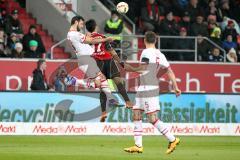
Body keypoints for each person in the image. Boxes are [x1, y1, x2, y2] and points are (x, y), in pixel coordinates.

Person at [124, 31, 181, 154]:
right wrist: (176, 87)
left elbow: (142, 68)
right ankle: (138, 145)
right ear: (155, 41)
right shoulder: (160, 54)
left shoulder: (145, 52)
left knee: (152, 118)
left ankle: (173, 139)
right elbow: (169, 71)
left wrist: (129, 67)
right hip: (144, 87)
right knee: (136, 113)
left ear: (144, 40)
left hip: (148, 88)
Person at [85, 19, 133, 122]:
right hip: (108, 60)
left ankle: (103, 112)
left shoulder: (85, 39)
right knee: (118, 81)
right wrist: (120, 62)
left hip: (97, 63)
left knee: (103, 88)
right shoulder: (102, 37)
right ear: (96, 27)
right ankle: (128, 101)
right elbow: (111, 50)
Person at [67, 16, 119, 106]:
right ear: (76, 22)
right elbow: (90, 41)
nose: (82, 26)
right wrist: (106, 39)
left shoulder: (71, 34)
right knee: (101, 80)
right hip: (86, 59)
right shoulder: (74, 34)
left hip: (85, 59)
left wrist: (87, 37)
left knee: (99, 81)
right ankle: (111, 99)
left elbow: (84, 41)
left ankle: (74, 81)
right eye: (81, 23)